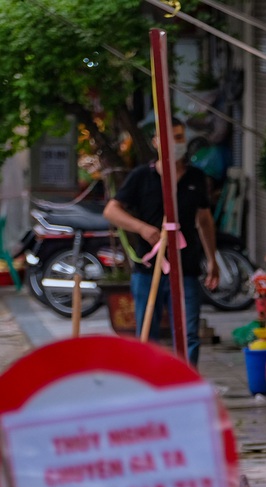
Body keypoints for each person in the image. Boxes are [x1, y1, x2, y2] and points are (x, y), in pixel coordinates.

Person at [103, 118, 219, 366]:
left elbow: (205, 220)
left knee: (188, 334)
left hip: (186, 269)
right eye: (169, 138)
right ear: (156, 142)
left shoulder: (196, 178)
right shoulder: (141, 177)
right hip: (148, 270)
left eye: (179, 137)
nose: (175, 143)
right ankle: (151, 385)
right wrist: (142, 228)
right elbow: (111, 211)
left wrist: (212, 259)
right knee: (147, 333)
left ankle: (186, 385)